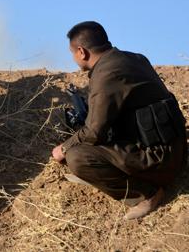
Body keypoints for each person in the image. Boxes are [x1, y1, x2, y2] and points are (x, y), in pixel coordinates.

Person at [52, 21, 187, 220]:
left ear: (81, 51)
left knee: (78, 157)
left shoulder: (106, 73)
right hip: (177, 149)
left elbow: (94, 132)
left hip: (160, 160)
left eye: (72, 53)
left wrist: (64, 147)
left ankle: (146, 194)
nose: (73, 58)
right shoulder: (135, 59)